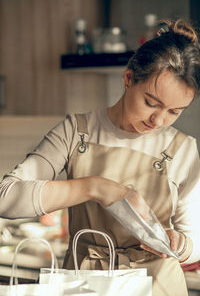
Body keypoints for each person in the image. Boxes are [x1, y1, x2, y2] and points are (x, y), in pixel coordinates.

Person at [0, 19, 200, 295]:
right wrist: (96, 188)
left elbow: (194, 242)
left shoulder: (184, 149)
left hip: (158, 286)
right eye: (151, 103)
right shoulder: (76, 132)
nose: (158, 119)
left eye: (174, 112)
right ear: (128, 79)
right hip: (85, 283)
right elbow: (6, 198)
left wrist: (181, 244)